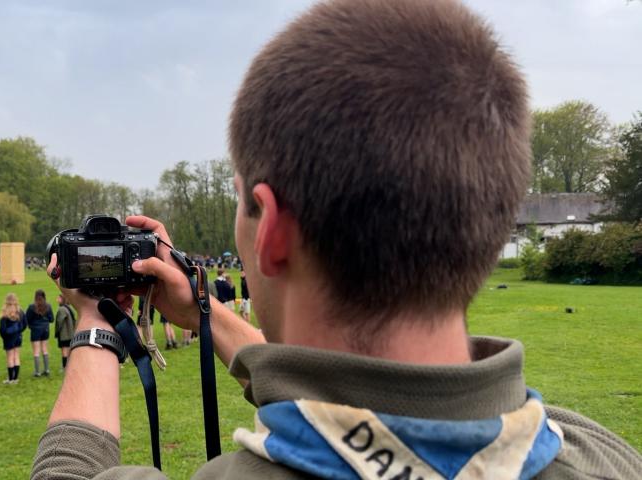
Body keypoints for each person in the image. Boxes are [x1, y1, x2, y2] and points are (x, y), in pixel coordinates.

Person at [32, 0, 642, 478]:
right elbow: (358, 401)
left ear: (270, 228)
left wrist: (94, 323)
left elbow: (67, 471)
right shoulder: (600, 453)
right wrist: (208, 315)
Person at [0, 293, 27, 384]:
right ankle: (15, 378)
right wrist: (19, 331)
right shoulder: (20, 312)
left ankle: (11, 379)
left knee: (10, 357)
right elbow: (25, 324)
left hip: (8, 338)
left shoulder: (4, 313)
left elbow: (2, 330)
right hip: (18, 336)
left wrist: (5, 337)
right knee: (16, 356)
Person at [27, 289, 54, 377]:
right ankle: (47, 369)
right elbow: (51, 319)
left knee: (36, 351)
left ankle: (37, 372)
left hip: (35, 330)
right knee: (45, 349)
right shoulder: (48, 306)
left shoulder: (32, 307)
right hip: (45, 329)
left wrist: (31, 326)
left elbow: (28, 319)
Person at [53, 294, 77, 371]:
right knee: (69, 350)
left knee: (64, 351)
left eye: (58, 297)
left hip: (64, 334)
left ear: (62, 299)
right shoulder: (69, 307)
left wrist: (57, 332)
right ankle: (71, 365)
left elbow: (59, 321)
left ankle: (64, 367)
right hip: (71, 333)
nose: (56, 299)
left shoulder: (62, 309)